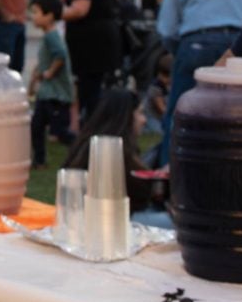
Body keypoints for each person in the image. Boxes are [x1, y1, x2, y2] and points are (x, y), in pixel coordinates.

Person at [155, 0, 242, 165]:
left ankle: (172, 175)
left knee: (181, 110)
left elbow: (167, 29)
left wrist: (180, 54)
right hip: (240, 45)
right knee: (236, 115)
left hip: (196, 43)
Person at [61, 88, 168, 227]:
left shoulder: (87, 144)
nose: (144, 120)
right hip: (111, 224)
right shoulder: (115, 153)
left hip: (83, 219)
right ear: (126, 117)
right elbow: (139, 196)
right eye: (140, 113)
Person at [62, 0, 121, 125]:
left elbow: (80, 9)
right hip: (104, 42)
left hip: (91, 46)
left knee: (90, 89)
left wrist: (55, 12)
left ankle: (91, 124)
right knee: (96, 87)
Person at [27, 0, 75, 167]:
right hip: (47, 94)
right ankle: (39, 160)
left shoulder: (52, 36)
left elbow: (61, 54)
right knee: (36, 127)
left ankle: (81, 148)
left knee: (60, 131)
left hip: (56, 95)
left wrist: (50, 72)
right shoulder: (48, 36)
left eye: (36, 12)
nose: (33, 16)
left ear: (49, 16)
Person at [140, 53, 172, 135]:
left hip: (159, 118)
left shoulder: (168, 85)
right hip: (152, 117)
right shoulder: (155, 87)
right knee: (161, 132)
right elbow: (162, 109)